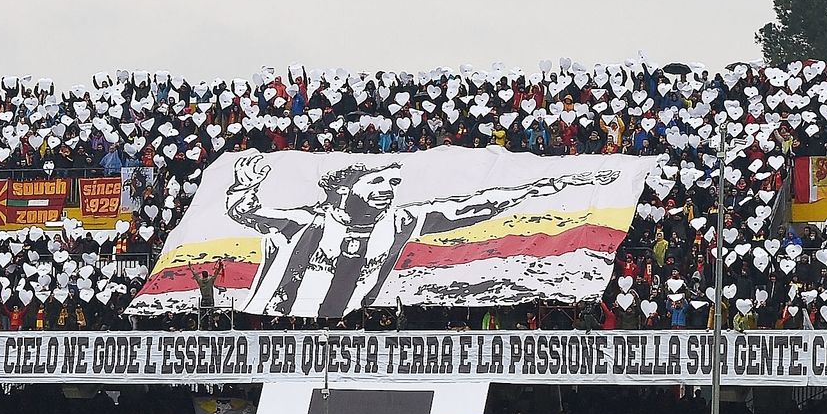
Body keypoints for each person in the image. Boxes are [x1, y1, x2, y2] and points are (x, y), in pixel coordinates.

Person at [226, 152, 619, 318]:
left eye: (393, 180)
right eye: (377, 179)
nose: (388, 187)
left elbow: (475, 206)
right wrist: (243, 186)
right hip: (287, 332)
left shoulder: (399, 222)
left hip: (350, 337)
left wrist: (552, 184)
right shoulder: (304, 223)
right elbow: (244, 213)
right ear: (344, 188)